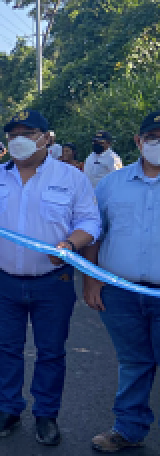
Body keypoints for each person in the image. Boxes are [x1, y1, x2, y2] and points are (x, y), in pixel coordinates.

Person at [0, 110, 101, 446]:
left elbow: (90, 222)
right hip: (5, 281)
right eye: (13, 135)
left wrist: (70, 245)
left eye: (27, 133)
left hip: (53, 281)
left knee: (50, 352)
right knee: (7, 349)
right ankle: (9, 409)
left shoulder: (71, 177)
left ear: (46, 138)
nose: (18, 140)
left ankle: (46, 415)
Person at [82, 111, 160, 453]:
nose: (158, 143)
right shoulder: (112, 184)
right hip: (121, 292)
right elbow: (94, 232)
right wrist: (91, 279)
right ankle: (128, 429)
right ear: (139, 141)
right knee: (133, 362)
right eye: (153, 137)